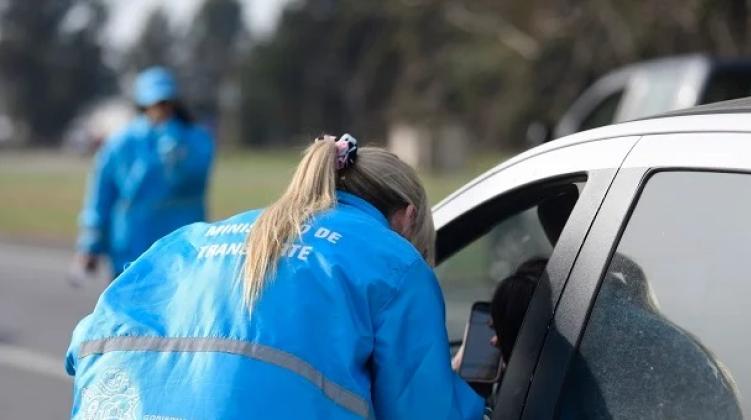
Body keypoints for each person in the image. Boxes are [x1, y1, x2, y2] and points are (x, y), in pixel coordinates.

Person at [65, 134, 484, 419]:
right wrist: (458, 386)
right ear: (408, 219)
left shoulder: (189, 239)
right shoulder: (394, 261)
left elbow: (84, 347)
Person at [75, 66, 215, 278]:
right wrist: (90, 243)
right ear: (143, 104)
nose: (161, 109)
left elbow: (196, 180)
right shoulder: (121, 143)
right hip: (131, 245)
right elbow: (101, 195)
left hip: (183, 245)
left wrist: (176, 155)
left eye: (166, 102)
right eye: (155, 103)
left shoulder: (196, 138)